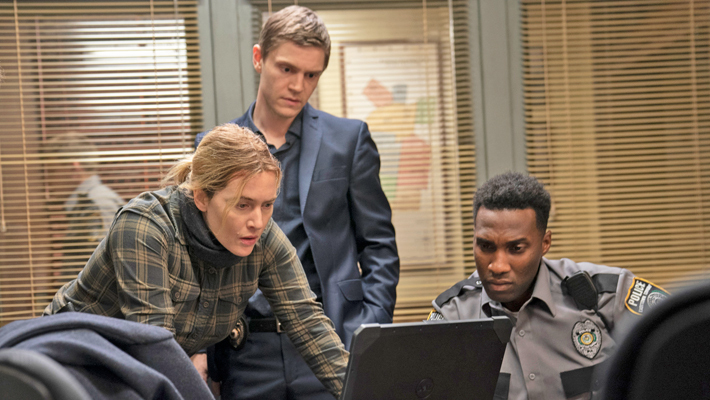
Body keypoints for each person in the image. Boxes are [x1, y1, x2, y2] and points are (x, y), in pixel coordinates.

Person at [44, 124, 349, 399]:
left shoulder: (262, 238)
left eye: (267, 205)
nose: (258, 221)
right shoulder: (146, 226)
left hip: (131, 372)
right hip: (68, 364)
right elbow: (154, 346)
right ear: (202, 197)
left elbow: (308, 322)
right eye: (242, 205)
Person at [194, 5, 399, 400]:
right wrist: (199, 347)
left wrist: (368, 329)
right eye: (286, 69)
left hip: (331, 340)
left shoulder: (349, 140)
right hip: (244, 350)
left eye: (311, 75)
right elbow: (197, 253)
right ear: (259, 58)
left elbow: (379, 246)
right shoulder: (214, 146)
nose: (298, 86)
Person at [428, 172, 669, 400]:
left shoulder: (606, 294)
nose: (497, 266)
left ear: (545, 243)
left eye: (516, 248)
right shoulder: (452, 316)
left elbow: (680, 351)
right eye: (486, 246)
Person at [43, 132, 125, 274]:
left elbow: (104, 271)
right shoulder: (87, 203)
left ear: (73, 167)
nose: (47, 180)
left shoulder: (97, 203)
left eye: (52, 171)